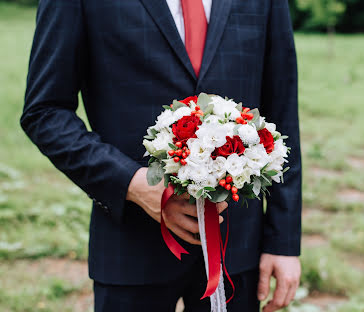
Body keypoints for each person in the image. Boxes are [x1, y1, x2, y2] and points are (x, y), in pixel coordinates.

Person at [21, 0, 302, 311]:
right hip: (131, 247)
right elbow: (45, 112)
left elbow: (282, 113)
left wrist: (283, 243)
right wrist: (130, 182)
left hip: (237, 249)